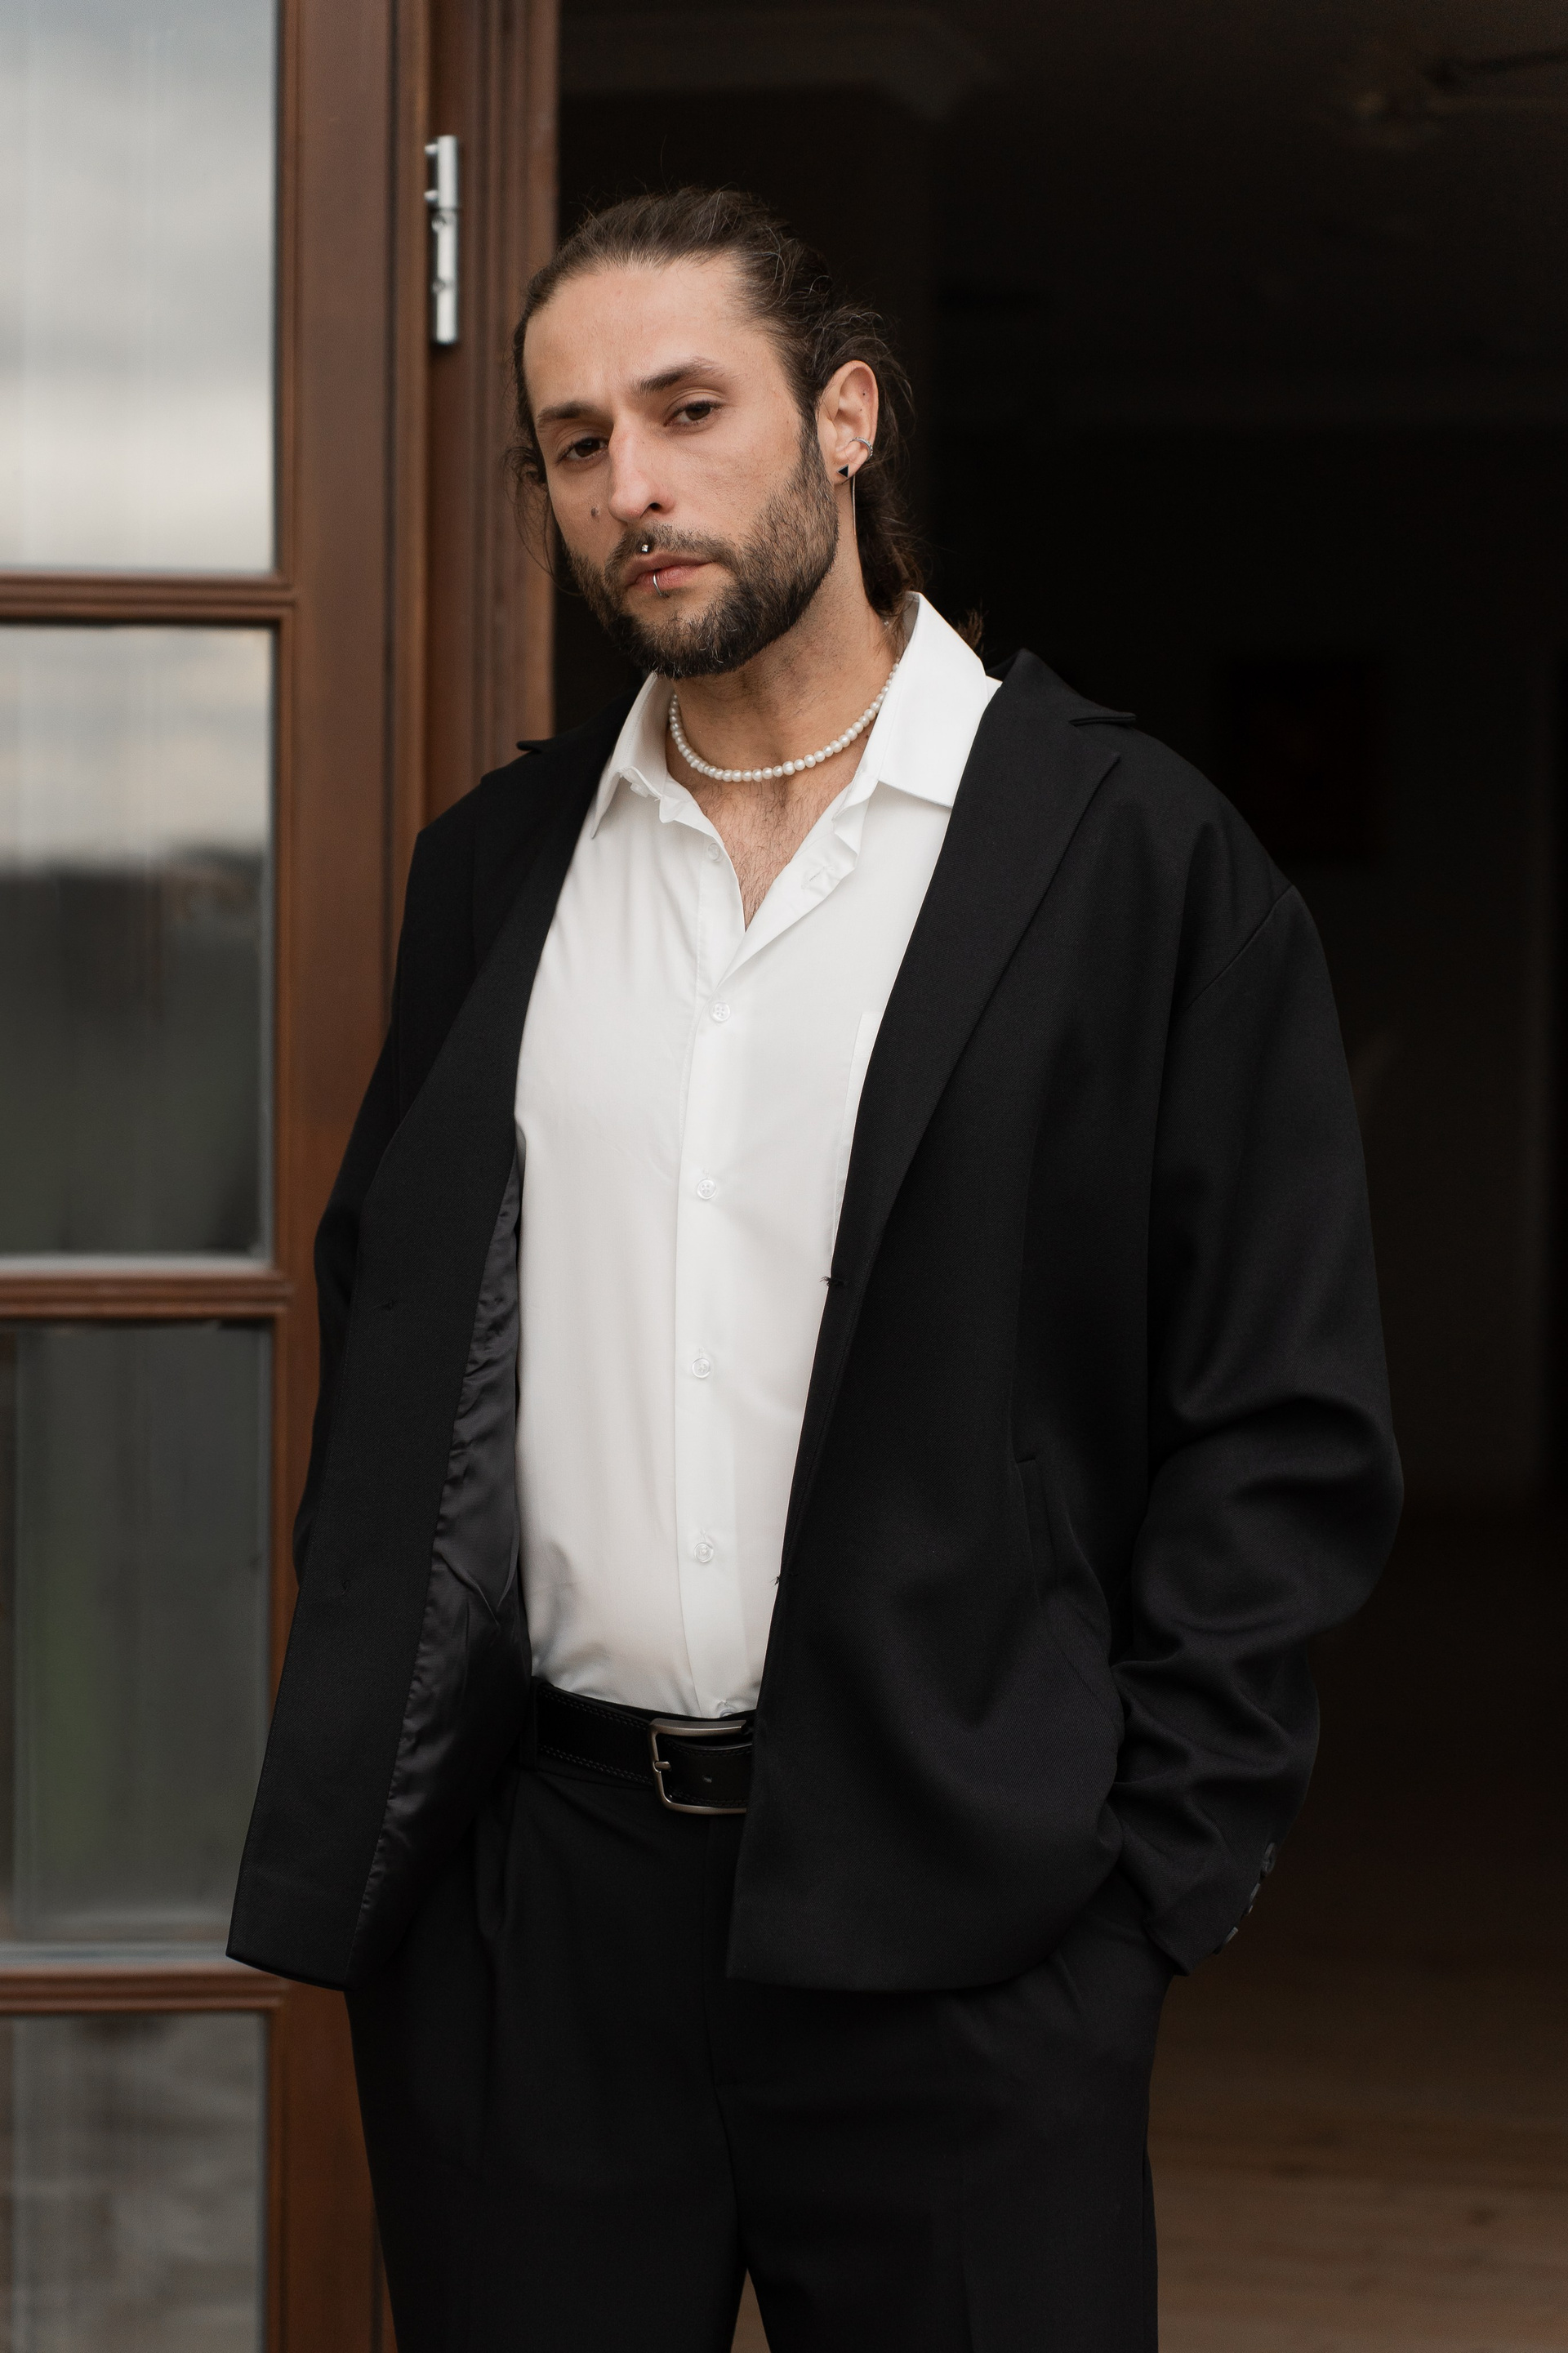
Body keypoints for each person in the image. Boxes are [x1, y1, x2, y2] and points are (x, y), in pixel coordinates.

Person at [229, 186, 1401, 2351]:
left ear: (847, 417)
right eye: (577, 441)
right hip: (541, 1924)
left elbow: (1282, 1416)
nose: (633, 486)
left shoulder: (1136, 862)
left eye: (690, 410)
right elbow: (395, 1332)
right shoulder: (498, 872)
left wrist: (1146, 1890)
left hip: (971, 1923)